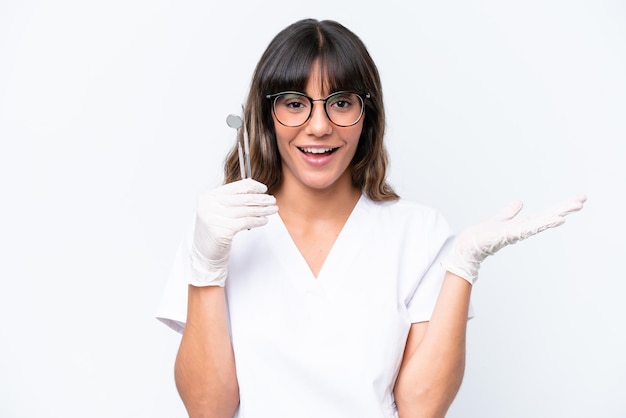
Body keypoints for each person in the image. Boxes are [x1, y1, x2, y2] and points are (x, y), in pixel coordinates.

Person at [156, 18, 586, 418]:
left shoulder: (417, 233)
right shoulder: (219, 231)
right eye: (294, 103)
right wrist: (207, 265)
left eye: (341, 103)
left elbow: (420, 408)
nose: (319, 126)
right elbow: (208, 409)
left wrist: (461, 269)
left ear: (369, 114)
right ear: (266, 116)